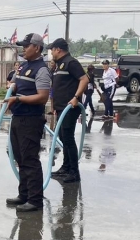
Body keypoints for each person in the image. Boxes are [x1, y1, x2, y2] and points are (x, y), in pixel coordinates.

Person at [6, 33, 52, 213]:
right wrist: (12, 89)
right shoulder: (24, 66)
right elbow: (15, 85)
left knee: (30, 159)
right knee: (20, 158)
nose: (23, 49)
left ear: (37, 48)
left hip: (31, 120)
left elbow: (43, 97)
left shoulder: (41, 70)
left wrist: (18, 99)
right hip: (18, 118)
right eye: (23, 46)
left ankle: (35, 200)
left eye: (27, 46)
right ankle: (24, 195)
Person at [47, 38, 88, 184]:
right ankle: (65, 167)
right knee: (63, 137)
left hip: (70, 107)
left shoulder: (71, 62)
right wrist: (54, 106)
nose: (51, 52)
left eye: (52, 49)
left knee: (68, 138)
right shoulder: (59, 65)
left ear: (58, 49)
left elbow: (84, 79)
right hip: (61, 107)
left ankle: (74, 172)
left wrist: (76, 97)